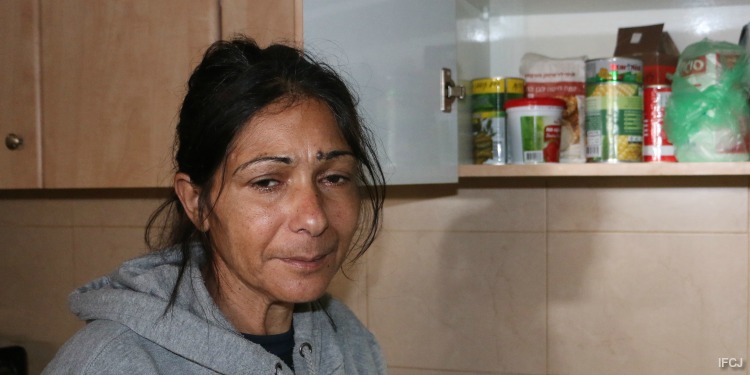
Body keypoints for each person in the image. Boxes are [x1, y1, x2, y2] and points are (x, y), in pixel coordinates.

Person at [43, 35, 387, 374]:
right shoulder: (112, 363)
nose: (314, 219)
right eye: (267, 182)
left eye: (334, 178)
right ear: (197, 203)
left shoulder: (346, 339)